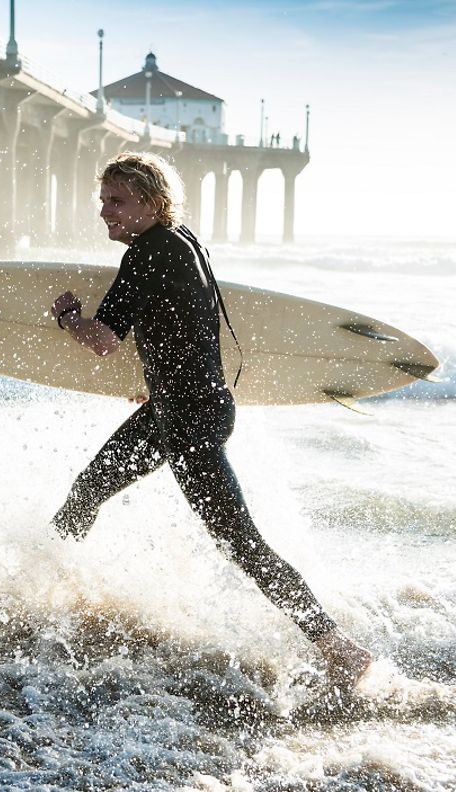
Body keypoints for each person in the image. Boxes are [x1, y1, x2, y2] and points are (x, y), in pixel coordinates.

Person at [49, 152, 372, 690]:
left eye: (116, 201)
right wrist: (157, 384)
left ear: (150, 202)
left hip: (188, 421)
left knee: (241, 542)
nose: (104, 212)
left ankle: (336, 645)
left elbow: (104, 342)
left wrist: (68, 320)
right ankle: (43, 586)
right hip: (184, 406)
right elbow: (187, 324)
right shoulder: (184, 242)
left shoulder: (144, 257)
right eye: (102, 201)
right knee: (87, 489)